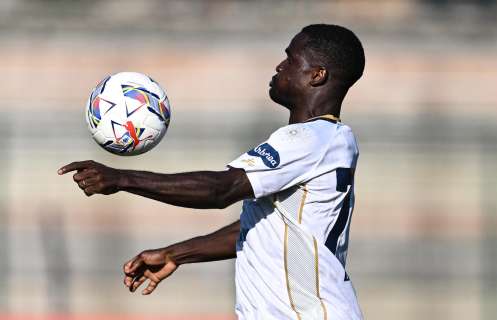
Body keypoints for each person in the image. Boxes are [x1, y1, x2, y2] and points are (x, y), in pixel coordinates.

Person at [59, 24, 365, 320]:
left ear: (317, 75)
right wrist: (175, 254)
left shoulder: (309, 140)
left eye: (290, 59)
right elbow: (259, 228)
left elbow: (221, 189)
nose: (279, 66)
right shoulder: (328, 140)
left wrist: (121, 178)